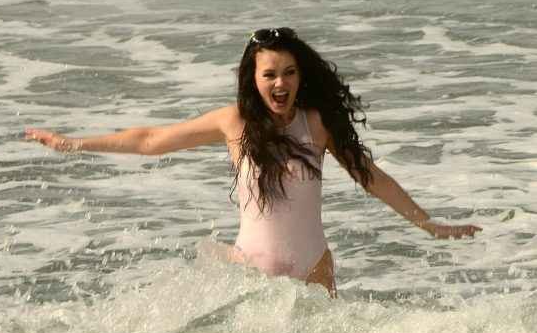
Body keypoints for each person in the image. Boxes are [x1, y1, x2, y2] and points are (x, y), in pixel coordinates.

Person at [25, 27, 481, 295]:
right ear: (254, 78)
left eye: (289, 72)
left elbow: (370, 176)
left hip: (314, 269)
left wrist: (427, 224)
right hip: (250, 272)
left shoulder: (316, 124)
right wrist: (74, 144)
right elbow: (150, 140)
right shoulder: (234, 123)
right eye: (270, 74)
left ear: (301, 77)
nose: (280, 83)